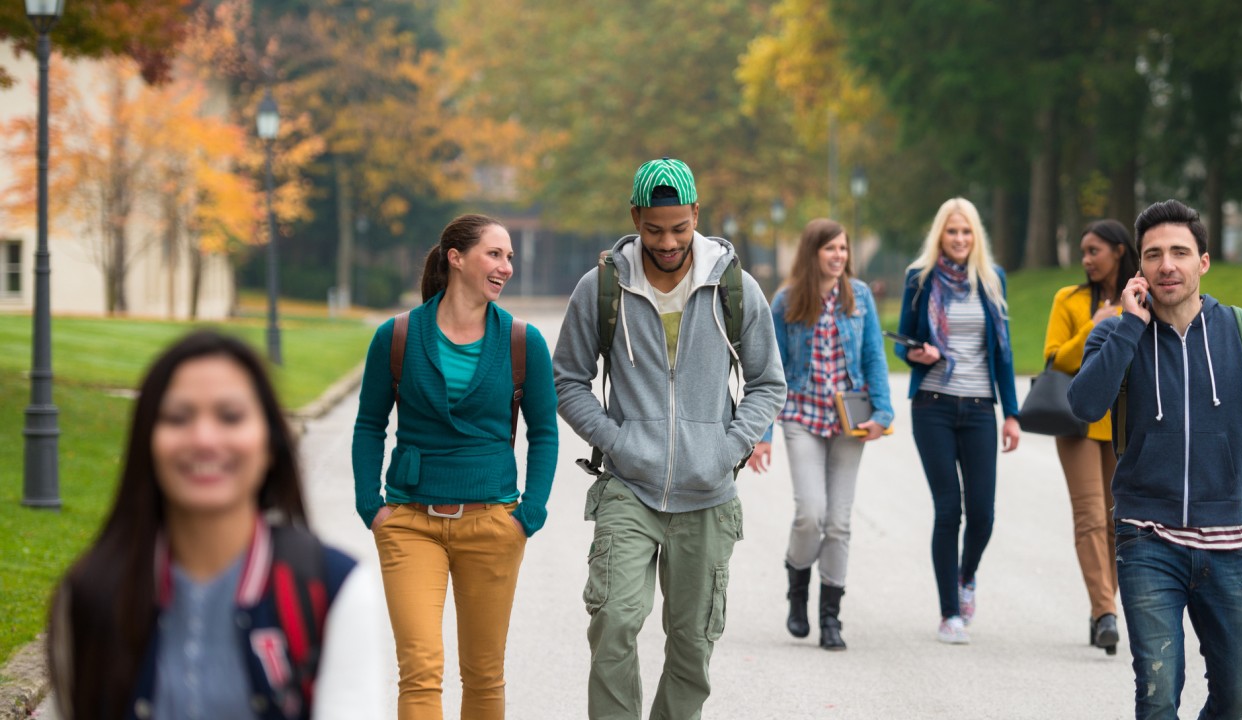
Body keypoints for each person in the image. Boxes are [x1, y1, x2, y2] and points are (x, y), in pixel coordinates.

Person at [1069, 200, 1242, 719]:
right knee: (1157, 695)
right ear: (1140, 268)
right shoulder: (1114, 333)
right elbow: (1084, 404)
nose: (1167, 265)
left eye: (1180, 252)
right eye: (1154, 255)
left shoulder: (1241, 332)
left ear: (1203, 261)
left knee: (1238, 694)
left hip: (1226, 544)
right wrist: (1130, 326)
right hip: (1146, 538)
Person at [47, 330, 385, 720]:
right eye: (178, 417)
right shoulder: (90, 594)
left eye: (230, 417)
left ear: (270, 445)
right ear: (147, 442)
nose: (204, 438)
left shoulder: (332, 588)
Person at [552, 157, 785, 719]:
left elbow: (768, 383)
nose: (668, 242)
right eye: (654, 229)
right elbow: (568, 381)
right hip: (628, 487)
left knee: (693, 642)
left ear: (696, 215)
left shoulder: (734, 286)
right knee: (613, 622)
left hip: (707, 495)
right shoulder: (602, 287)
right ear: (635, 217)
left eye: (679, 228)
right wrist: (618, 440)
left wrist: (726, 449)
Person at [352, 213, 559, 719]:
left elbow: (545, 433)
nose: (506, 266)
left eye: (509, 256)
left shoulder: (521, 341)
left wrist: (528, 515)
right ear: (456, 257)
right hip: (409, 524)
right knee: (420, 671)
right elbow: (369, 426)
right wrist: (370, 507)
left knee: (484, 675)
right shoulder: (397, 335)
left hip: (493, 523)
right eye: (495, 254)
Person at [745, 218, 892, 651]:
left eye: (843, 249)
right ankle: (797, 586)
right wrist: (762, 433)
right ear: (813, 253)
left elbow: (873, 357)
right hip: (802, 416)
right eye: (831, 249)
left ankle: (831, 616)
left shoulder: (859, 297)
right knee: (811, 512)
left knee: (839, 521)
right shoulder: (788, 300)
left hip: (850, 421)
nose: (839, 256)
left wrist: (882, 411)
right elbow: (766, 371)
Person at [896, 197, 1020, 645]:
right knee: (949, 508)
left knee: (983, 513)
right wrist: (917, 352)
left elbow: (1003, 354)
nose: (960, 239)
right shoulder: (920, 278)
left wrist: (1012, 416)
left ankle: (967, 578)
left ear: (976, 236)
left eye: (967, 232)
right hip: (933, 404)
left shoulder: (990, 280)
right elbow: (902, 343)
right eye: (952, 232)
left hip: (980, 409)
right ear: (940, 236)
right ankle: (950, 612)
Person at [1041, 218, 1139, 654]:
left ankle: (1104, 607)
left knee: (1119, 521)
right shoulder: (1068, 299)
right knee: (1090, 516)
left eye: (1094, 250)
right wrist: (1096, 323)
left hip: (1124, 423)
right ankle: (1105, 612)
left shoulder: (1141, 299)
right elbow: (1055, 360)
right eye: (1083, 252)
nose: (1086, 260)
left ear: (1119, 250)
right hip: (1077, 422)